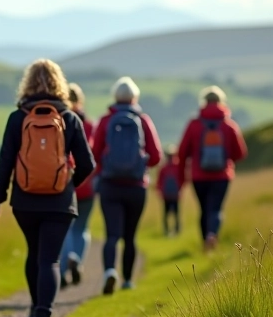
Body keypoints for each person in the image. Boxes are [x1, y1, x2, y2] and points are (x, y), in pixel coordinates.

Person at [0, 59, 94, 317]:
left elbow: (5, 163)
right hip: (60, 201)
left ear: (28, 83)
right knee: (50, 259)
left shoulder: (17, 117)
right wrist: (68, 183)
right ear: (60, 83)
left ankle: (36, 309)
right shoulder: (70, 118)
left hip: (25, 200)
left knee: (34, 253)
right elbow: (88, 163)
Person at [91, 77, 162, 295]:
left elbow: (94, 154)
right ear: (135, 97)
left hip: (110, 185)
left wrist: (108, 167)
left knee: (112, 234)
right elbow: (157, 156)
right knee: (130, 236)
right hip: (136, 186)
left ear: (115, 97)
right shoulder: (143, 120)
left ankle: (110, 271)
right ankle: (128, 280)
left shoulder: (105, 120)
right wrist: (139, 164)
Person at [176, 85, 248, 252]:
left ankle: (205, 244)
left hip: (198, 176)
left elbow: (182, 151)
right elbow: (241, 153)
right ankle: (212, 235)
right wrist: (226, 158)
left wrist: (182, 175)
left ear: (204, 102)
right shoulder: (229, 125)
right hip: (222, 176)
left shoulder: (194, 124)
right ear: (221, 102)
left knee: (203, 210)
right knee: (215, 208)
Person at [59, 82, 96, 288]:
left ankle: (66, 264)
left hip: (65, 183)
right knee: (82, 228)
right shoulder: (89, 124)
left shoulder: (61, 121)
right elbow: (95, 156)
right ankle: (78, 261)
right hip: (87, 185)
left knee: (65, 230)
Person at [157, 145, 182, 237]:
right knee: (169, 214)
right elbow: (159, 181)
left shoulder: (174, 167)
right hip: (169, 194)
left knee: (174, 214)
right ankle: (169, 230)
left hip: (171, 194)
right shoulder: (165, 168)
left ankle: (175, 230)